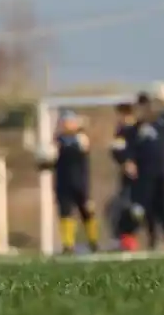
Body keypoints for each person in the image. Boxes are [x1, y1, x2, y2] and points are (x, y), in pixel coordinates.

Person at [123, 85, 164, 251]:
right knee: (139, 208)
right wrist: (128, 161)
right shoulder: (134, 129)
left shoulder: (162, 122)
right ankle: (128, 237)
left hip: (161, 173)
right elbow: (126, 149)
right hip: (143, 175)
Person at [38, 110, 99, 252]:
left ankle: (93, 241)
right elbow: (48, 162)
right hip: (62, 182)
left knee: (87, 211)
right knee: (65, 212)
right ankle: (68, 244)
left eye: (69, 122)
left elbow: (83, 151)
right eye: (64, 122)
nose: (66, 125)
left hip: (80, 181)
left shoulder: (81, 138)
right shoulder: (56, 141)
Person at [108, 101, 144, 252]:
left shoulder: (141, 130)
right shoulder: (120, 132)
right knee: (125, 206)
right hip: (128, 178)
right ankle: (126, 238)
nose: (124, 117)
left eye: (127, 114)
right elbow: (116, 151)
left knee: (145, 206)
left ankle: (154, 237)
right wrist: (125, 163)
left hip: (145, 175)